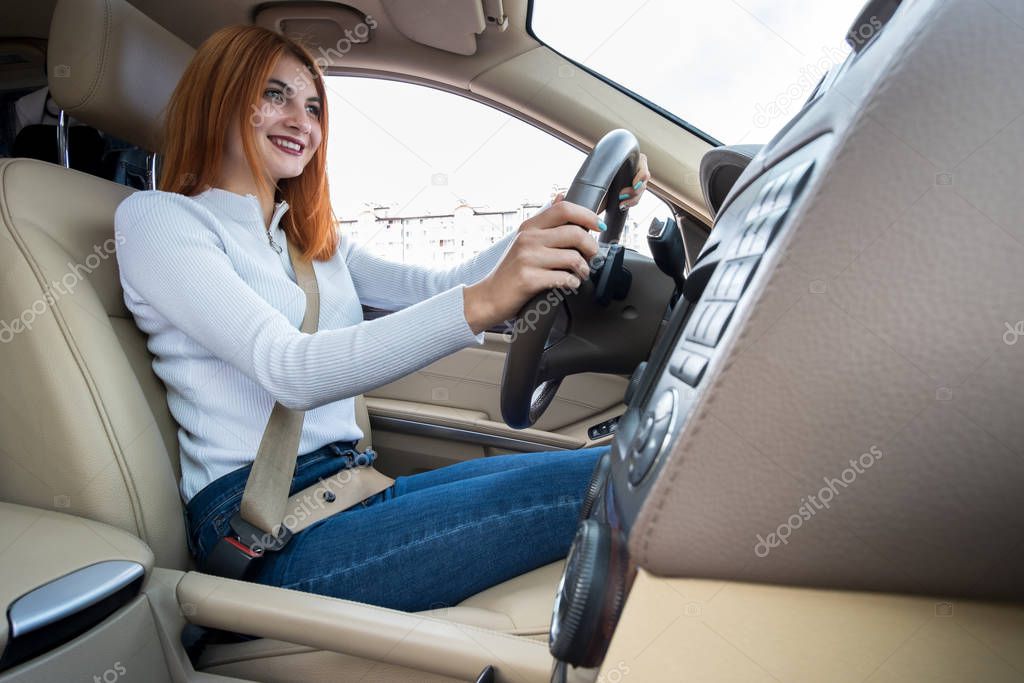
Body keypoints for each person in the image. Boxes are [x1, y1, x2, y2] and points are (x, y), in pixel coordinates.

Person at [114, 25, 651, 611]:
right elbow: (288, 368)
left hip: (357, 490)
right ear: (220, 100)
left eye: (313, 106)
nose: (302, 121)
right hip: (265, 532)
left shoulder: (311, 240)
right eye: (275, 96)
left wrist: (553, 221)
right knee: (626, 481)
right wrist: (485, 302)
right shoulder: (159, 221)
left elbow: (439, 287)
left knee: (620, 462)